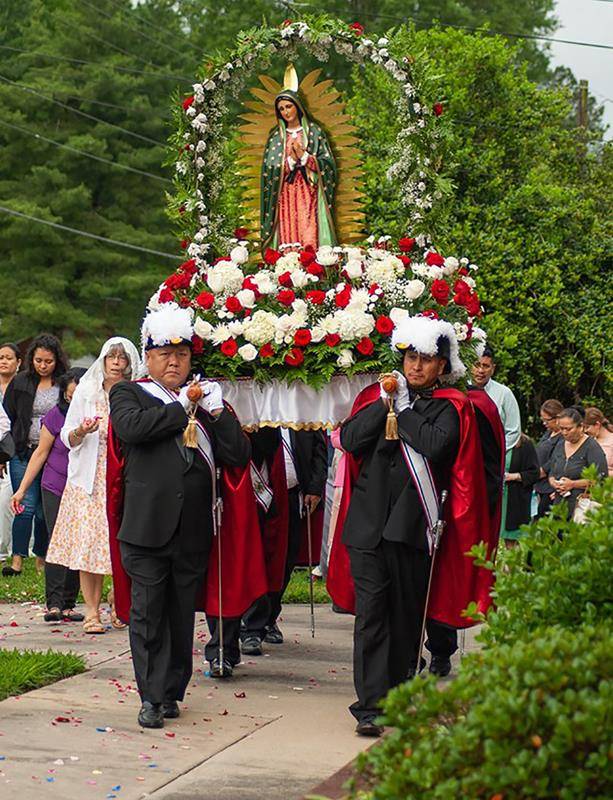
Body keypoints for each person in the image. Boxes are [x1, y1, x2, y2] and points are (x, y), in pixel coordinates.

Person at [327, 315, 493, 738]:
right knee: (371, 615)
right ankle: (369, 705)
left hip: (414, 527)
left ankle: (397, 695)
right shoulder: (378, 395)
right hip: (367, 526)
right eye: (410, 357)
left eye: (426, 360)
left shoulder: (453, 406)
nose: (416, 367)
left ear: (442, 365)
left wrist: (404, 409)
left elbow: (438, 445)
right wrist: (386, 403)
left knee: (404, 618)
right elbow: (349, 439)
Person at [107, 303, 262, 728]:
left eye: (181, 354)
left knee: (178, 616)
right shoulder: (130, 393)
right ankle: (150, 696)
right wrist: (184, 406)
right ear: (149, 357)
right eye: (164, 354)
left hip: (193, 529)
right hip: (145, 527)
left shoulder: (208, 399)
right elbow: (134, 429)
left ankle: (172, 690)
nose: (173, 361)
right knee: (147, 615)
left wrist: (215, 411)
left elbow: (237, 454)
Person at [45, 337, 141, 633]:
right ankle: (91, 612)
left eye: (121, 357)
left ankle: (118, 601)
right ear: (103, 359)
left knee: (122, 544)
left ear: (129, 363)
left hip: (125, 475)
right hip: (90, 477)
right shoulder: (86, 390)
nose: (115, 362)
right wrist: (82, 431)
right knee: (89, 546)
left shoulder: (137, 391)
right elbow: (66, 436)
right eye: (111, 356)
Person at [238, 426, 327, 662]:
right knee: (260, 560)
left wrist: (315, 487)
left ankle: (269, 617)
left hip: (293, 495)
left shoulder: (299, 412)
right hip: (262, 494)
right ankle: (252, 627)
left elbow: (319, 449)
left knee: (285, 561)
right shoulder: (261, 415)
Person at [10, 368, 87, 621]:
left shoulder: (95, 416)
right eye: (69, 396)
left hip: (82, 486)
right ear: (64, 394)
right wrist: (21, 489)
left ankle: (68, 603)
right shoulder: (56, 416)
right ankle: (53, 604)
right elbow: (40, 453)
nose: (72, 401)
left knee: (77, 542)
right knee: (58, 541)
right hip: (55, 484)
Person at [2, 334, 68, 576]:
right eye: (39, 360)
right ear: (31, 359)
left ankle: (41, 556)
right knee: (25, 505)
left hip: (54, 456)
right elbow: (6, 417)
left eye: (48, 361)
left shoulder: (63, 383)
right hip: (23, 451)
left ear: (56, 360)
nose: (43, 365)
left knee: (43, 511)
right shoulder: (20, 382)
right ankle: (18, 557)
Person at [261, 88, 337, 250]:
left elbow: (328, 164)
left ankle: (312, 262)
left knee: (308, 230)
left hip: (309, 193)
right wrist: (289, 162)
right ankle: (287, 264)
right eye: (281, 109)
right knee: (288, 232)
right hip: (285, 196)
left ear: (298, 106)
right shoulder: (276, 137)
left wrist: (305, 157)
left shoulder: (314, 132)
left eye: (289, 106)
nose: (286, 112)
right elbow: (269, 171)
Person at [548, 407, 608, 517]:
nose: (564, 433)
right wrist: (554, 483)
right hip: (560, 505)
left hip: (581, 508)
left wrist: (573, 484)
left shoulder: (591, 447)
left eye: (568, 429)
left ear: (581, 427)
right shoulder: (560, 444)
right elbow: (552, 471)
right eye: (561, 429)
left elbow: (601, 480)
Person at [0, 342, 21, 560]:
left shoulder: (22, 387)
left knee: (9, 500)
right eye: (0, 358)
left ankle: (6, 548)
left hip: (14, 451)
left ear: (19, 362)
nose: (4, 362)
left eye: (8, 357)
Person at [500, 433, 540, 545]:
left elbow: (534, 473)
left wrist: (514, 476)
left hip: (514, 498)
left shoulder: (524, 444)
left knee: (512, 538)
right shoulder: (496, 439)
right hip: (497, 496)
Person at [534, 399, 563, 517]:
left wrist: (542, 471)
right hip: (539, 484)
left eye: (547, 420)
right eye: (543, 420)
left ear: (557, 418)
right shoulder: (548, 432)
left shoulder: (563, 436)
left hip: (549, 485)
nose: (544, 423)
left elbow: (556, 459)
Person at [584, 407, 613, 476]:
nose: (585, 431)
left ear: (597, 424)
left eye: (587, 427)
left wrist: (602, 473)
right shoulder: (590, 441)